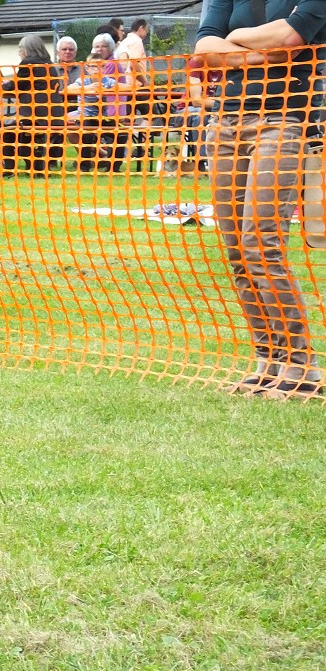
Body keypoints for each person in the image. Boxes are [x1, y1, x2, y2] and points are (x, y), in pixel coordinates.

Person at [195, 0, 326, 398]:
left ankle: (302, 367)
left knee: (261, 242)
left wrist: (232, 41)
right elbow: (203, 48)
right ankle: (268, 362)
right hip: (225, 121)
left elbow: (290, 37)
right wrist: (258, 52)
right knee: (237, 249)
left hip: (284, 119)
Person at [65, 33, 133, 171]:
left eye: (100, 66)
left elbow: (128, 87)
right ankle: (84, 166)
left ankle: (113, 166)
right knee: (86, 134)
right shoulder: (83, 80)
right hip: (87, 116)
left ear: (104, 68)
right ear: (87, 68)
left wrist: (113, 89)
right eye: (93, 67)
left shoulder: (107, 81)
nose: (96, 69)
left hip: (104, 117)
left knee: (120, 134)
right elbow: (68, 89)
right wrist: (86, 89)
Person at [0, 34, 63, 176]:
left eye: (21, 49)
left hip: (35, 114)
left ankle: (8, 169)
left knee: (3, 126)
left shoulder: (28, 64)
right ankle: (36, 166)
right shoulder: (50, 65)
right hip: (54, 115)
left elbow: (17, 85)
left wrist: (3, 86)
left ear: (28, 49)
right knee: (23, 133)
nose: (19, 52)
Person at [115, 18, 150, 86]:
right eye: (146, 30)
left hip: (124, 82)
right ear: (141, 28)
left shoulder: (125, 41)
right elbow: (133, 64)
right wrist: (144, 82)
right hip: (135, 84)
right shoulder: (137, 41)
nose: (146, 34)